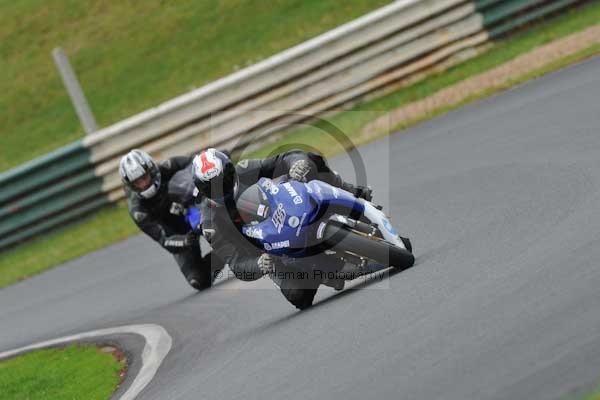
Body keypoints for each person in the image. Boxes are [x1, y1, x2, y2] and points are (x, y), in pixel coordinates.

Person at [192, 148, 380, 309]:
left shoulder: (245, 169)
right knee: (299, 297)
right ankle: (326, 272)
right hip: (268, 250)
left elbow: (285, 158)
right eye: (212, 188)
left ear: (230, 171)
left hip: (285, 208)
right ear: (202, 191)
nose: (221, 189)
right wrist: (259, 264)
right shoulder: (210, 223)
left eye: (222, 180)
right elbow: (236, 262)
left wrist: (296, 164)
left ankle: (353, 193)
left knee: (312, 161)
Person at [119, 149, 221, 291]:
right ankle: (223, 255)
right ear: (131, 185)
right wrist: (185, 240)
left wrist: (215, 160)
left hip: (195, 209)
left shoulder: (167, 167)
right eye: (137, 183)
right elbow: (164, 239)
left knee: (214, 227)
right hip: (180, 234)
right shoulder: (138, 211)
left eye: (144, 177)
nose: (143, 184)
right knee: (198, 280)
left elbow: (196, 161)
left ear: (151, 170)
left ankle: (242, 230)